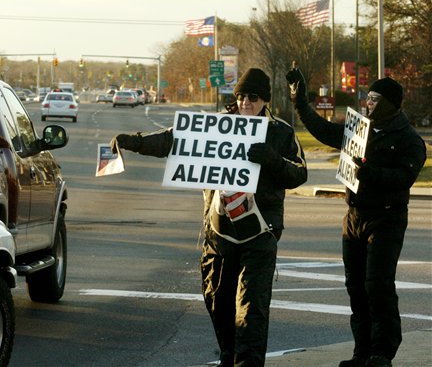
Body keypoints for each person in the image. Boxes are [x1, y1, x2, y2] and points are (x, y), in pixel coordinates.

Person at [110, 68, 307, 367]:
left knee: (251, 312)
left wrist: (272, 160)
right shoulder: (217, 125)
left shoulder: (280, 132)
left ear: (264, 100)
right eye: (240, 96)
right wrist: (133, 142)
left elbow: (299, 173)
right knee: (218, 303)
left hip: (260, 234)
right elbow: (172, 142)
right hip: (218, 234)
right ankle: (228, 357)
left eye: (252, 97)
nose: (245, 103)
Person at [286, 68, 426, 367]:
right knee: (356, 285)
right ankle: (361, 352)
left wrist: (369, 172)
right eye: (367, 98)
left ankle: (381, 353)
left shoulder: (409, 139)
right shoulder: (358, 128)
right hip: (354, 216)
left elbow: (405, 176)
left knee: (378, 285)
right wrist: (300, 103)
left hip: (386, 219)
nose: (368, 104)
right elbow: (324, 131)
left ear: (389, 103)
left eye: (374, 99)